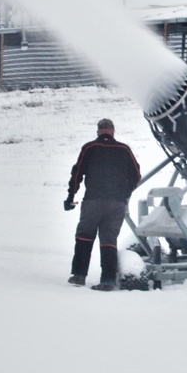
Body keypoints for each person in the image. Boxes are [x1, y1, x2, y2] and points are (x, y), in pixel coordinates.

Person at [64, 117, 141, 291]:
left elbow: (77, 175)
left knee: (84, 236)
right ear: (113, 131)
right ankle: (108, 281)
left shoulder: (89, 148)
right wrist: (125, 194)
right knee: (109, 241)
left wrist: (70, 197)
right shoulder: (124, 149)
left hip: (93, 201)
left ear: (98, 131)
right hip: (116, 204)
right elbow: (136, 175)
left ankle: (78, 276)